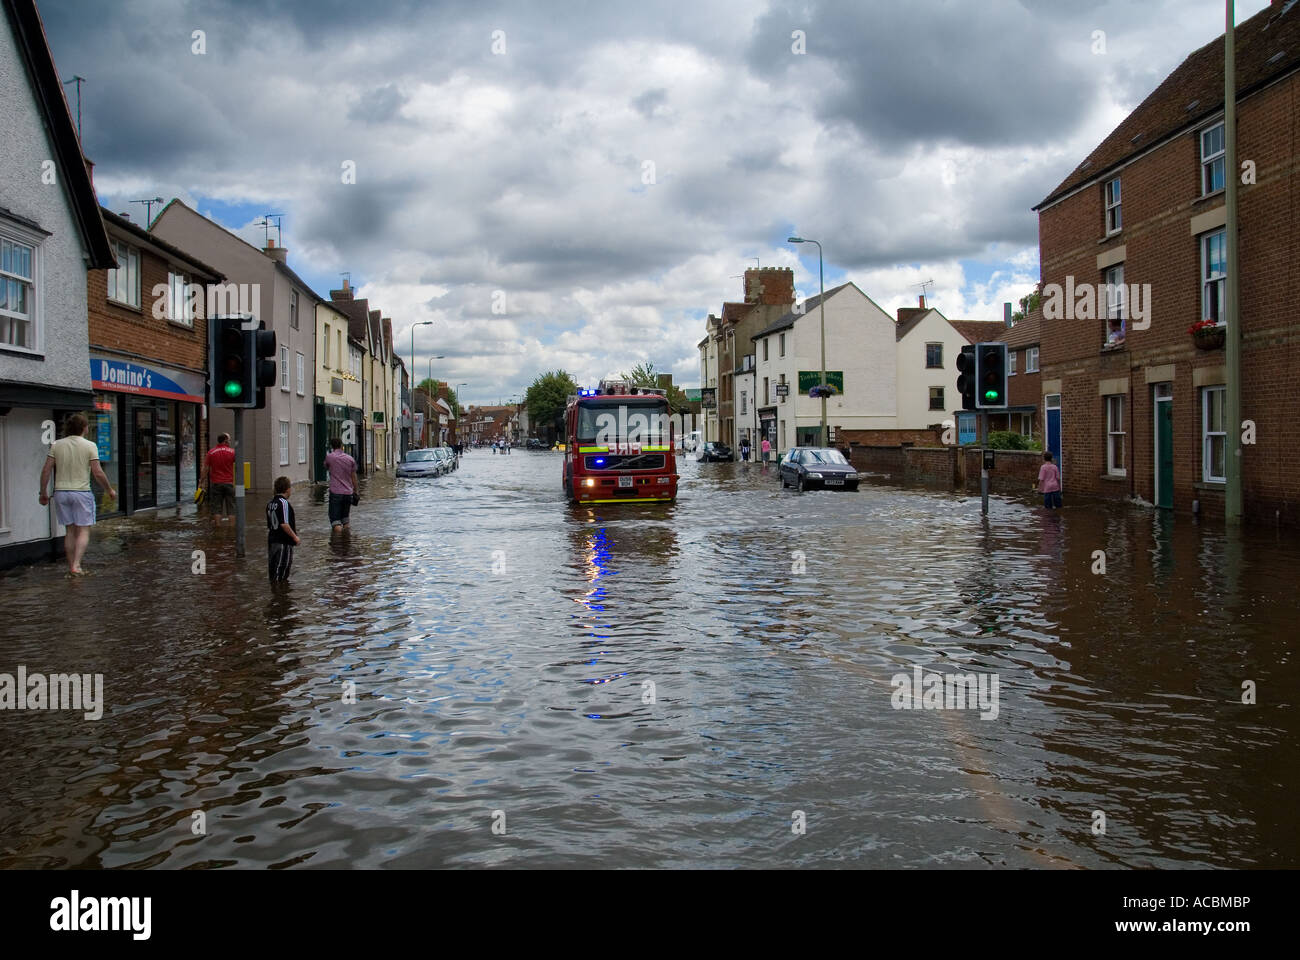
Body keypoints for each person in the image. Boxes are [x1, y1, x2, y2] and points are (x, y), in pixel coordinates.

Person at [38, 413, 117, 576]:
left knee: (70, 531)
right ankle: (77, 565)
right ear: (84, 428)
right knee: (83, 530)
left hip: (61, 493)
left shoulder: (56, 445)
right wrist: (109, 489)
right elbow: (98, 472)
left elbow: (46, 470)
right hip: (81, 493)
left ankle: (71, 565)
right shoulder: (90, 446)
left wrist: (43, 492)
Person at [266, 476, 300, 583]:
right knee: (282, 573)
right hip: (283, 543)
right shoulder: (283, 503)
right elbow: (284, 524)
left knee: (273, 571)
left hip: (272, 541)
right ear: (287, 489)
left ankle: (276, 595)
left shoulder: (270, 504)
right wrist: (295, 537)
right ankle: (280, 596)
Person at [324, 437, 359, 532]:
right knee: (345, 520)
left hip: (336, 492)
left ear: (332, 446)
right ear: (341, 446)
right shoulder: (350, 459)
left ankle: (338, 544)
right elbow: (354, 477)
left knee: (335, 521)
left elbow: (326, 466)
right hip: (348, 493)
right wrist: (355, 491)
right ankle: (347, 541)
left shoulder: (329, 457)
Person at [202, 433, 236, 523]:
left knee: (217, 508)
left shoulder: (211, 452)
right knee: (231, 508)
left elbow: (205, 469)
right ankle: (232, 529)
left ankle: (218, 529)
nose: (230, 441)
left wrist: (201, 481)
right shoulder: (232, 452)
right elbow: (239, 466)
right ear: (225, 440)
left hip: (216, 484)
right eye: (229, 440)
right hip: (229, 483)